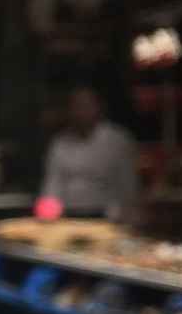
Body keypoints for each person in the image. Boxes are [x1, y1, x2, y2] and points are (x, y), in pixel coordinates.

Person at [40, 87, 139, 220]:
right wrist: (48, 213)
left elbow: (128, 184)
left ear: (99, 107)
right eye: (76, 106)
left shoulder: (117, 140)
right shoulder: (59, 144)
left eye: (86, 106)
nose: (81, 112)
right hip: (68, 216)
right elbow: (52, 185)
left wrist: (126, 214)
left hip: (109, 215)